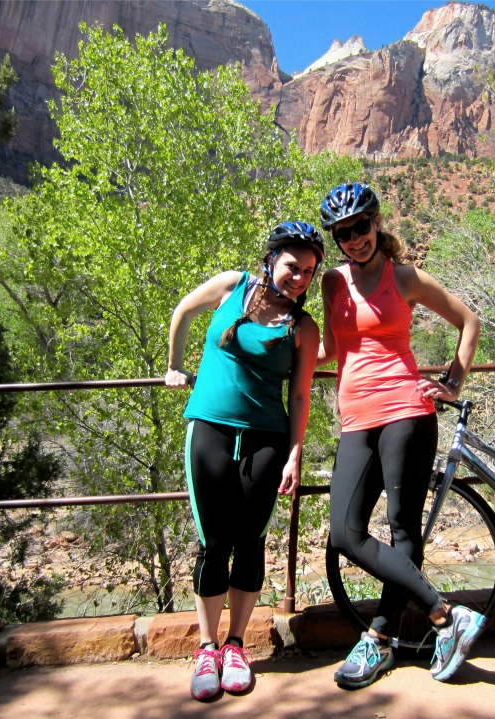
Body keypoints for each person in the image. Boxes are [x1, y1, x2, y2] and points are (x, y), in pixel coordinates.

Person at [317, 182, 483, 688]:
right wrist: (271, 346)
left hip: (407, 411)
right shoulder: (332, 282)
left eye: (360, 227)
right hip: (355, 418)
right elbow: (329, 348)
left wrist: (453, 382)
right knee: (345, 532)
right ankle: (445, 614)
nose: (354, 239)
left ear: (376, 222)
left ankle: (379, 640)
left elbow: (468, 321)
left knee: (403, 529)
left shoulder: (404, 277)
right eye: (343, 234)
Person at [165, 221, 323, 701]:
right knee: (213, 542)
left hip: (267, 440)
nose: (300, 278)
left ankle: (236, 645)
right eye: (293, 266)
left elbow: (300, 396)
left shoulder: (302, 327)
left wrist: (295, 454)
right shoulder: (231, 286)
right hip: (209, 429)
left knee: (250, 543)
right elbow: (182, 311)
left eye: (309, 272)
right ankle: (206, 648)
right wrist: (173, 366)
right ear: (271, 259)